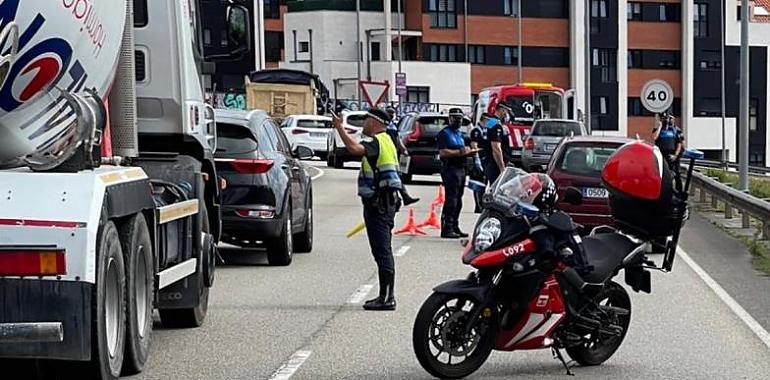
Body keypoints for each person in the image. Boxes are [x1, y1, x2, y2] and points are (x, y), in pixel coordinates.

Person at [333, 108, 401, 311]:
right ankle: (385, 295)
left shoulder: (376, 141)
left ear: (375, 122)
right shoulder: (388, 140)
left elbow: (354, 149)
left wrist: (339, 128)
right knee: (382, 250)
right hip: (386, 202)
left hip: (378, 204)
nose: (364, 124)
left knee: (382, 251)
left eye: (366, 120)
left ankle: (387, 297)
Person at [437, 108, 478, 239]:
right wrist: (460, 152)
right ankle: (447, 227)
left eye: (460, 118)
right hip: (450, 168)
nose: (458, 121)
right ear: (450, 119)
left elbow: (465, 149)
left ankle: (455, 225)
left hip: (461, 168)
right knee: (451, 200)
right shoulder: (444, 133)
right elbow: (443, 152)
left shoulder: (460, 134)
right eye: (455, 118)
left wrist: (470, 152)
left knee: (459, 199)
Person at [385, 107, 419, 206]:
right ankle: (403, 197)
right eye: (389, 113)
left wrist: (403, 149)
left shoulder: (393, 126)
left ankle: (401, 197)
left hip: (393, 154)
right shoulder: (383, 126)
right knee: (394, 176)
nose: (391, 115)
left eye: (392, 113)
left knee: (396, 176)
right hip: (386, 154)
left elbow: (397, 139)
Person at [483, 102, 514, 184]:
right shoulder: (496, 125)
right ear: (502, 110)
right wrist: (502, 167)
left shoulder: (490, 122)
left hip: (490, 162)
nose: (507, 115)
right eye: (507, 112)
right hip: (495, 164)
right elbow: (496, 148)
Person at [652, 113, 684, 189]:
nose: (666, 120)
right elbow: (654, 138)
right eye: (664, 118)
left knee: (676, 173)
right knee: (662, 174)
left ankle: (678, 190)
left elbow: (679, 143)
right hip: (661, 156)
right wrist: (659, 126)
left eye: (667, 118)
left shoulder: (674, 130)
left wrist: (676, 155)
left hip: (672, 155)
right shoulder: (657, 130)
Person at [469, 115, 487, 213]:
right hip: (478, 160)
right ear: (483, 120)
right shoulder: (476, 131)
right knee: (478, 184)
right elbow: (474, 145)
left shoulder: (484, 130)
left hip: (484, 160)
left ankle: (481, 204)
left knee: (483, 184)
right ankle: (478, 205)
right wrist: (477, 159)